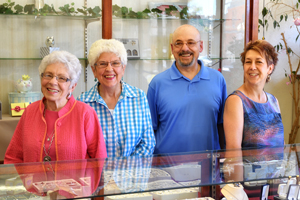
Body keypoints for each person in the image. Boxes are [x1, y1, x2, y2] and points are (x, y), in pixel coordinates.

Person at [4, 51, 107, 164]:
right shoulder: (30, 111)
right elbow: (13, 158)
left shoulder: (85, 113)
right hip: (33, 182)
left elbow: (99, 161)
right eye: (48, 75)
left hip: (75, 182)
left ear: (72, 86)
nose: (53, 82)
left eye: (62, 78)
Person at [147, 24, 227, 154]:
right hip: (167, 168)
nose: (185, 48)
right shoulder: (157, 84)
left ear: (200, 46)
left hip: (208, 168)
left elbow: (222, 126)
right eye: (178, 43)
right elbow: (150, 131)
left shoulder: (218, 80)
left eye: (191, 43)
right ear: (172, 48)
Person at [77, 39, 155, 157]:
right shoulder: (82, 103)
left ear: (123, 68)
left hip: (132, 173)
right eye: (103, 64)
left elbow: (148, 143)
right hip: (97, 174)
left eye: (115, 63)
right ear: (94, 70)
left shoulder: (139, 97)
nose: (109, 69)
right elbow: (80, 148)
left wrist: (124, 170)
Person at [223, 40, 284, 150]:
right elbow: (233, 153)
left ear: (270, 68)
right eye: (248, 62)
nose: (252, 67)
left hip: (277, 167)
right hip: (247, 168)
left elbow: (281, 146)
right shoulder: (236, 101)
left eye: (259, 62)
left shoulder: (274, 101)